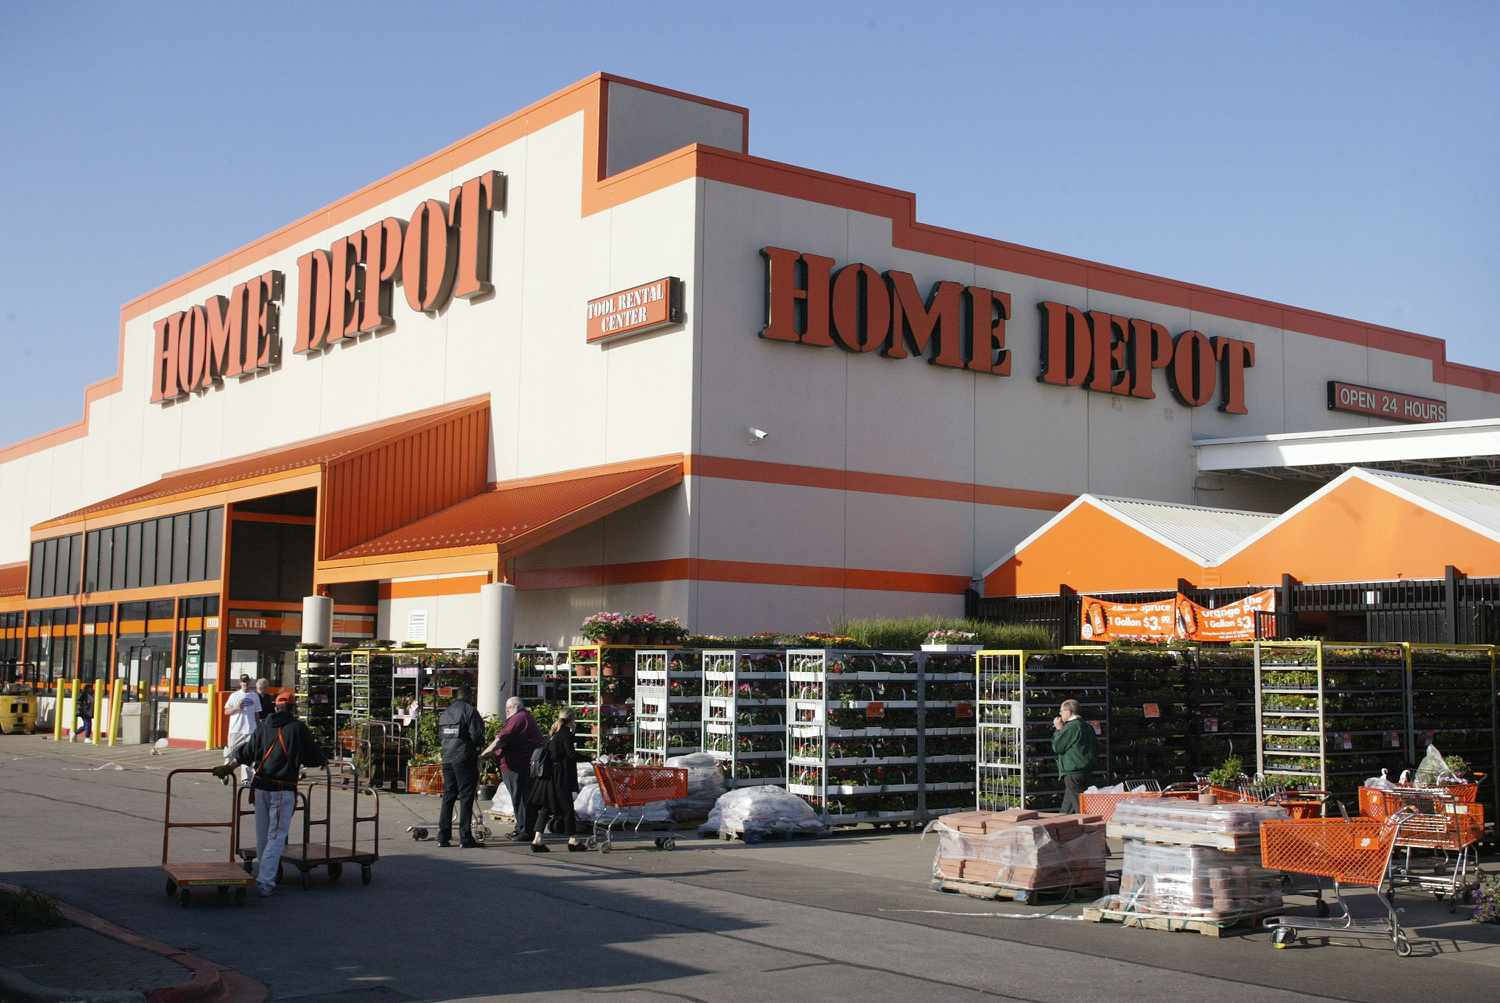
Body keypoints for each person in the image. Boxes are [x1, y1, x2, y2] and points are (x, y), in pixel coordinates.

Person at [215, 689, 327, 897]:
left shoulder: (264, 725)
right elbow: (313, 756)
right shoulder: (298, 728)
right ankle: (265, 883)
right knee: (276, 837)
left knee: (262, 836)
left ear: (276, 706)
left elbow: (248, 752)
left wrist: (229, 767)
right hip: (282, 789)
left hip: (260, 787)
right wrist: (322, 760)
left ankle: (268, 874)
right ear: (292, 707)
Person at [481, 696, 544, 840]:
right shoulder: (524, 717)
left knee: (520, 798)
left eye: (507, 709)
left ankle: (525, 830)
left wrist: (483, 754)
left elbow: (501, 739)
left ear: (514, 707)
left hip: (517, 766)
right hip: (519, 765)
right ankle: (522, 827)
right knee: (520, 798)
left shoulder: (518, 718)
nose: (506, 712)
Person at [528, 709, 584, 852]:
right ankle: (573, 840)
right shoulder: (565, 734)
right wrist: (589, 759)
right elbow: (570, 754)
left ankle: (537, 839)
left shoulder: (553, 733)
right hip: (560, 777)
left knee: (546, 808)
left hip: (548, 777)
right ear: (572, 720)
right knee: (568, 808)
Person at [437, 686, 485, 848]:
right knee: (466, 797)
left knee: (449, 796)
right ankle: (465, 837)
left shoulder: (445, 713)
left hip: (447, 758)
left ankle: (443, 836)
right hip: (464, 758)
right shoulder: (470, 711)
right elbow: (477, 735)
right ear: (469, 696)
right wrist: (477, 748)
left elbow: (441, 736)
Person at [1052, 698, 1099, 814]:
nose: (1060, 714)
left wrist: (1059, 730)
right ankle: (1060, 826)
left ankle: (1088, 828)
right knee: (1066, 808)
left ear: (1068, 711)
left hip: (1073, 772)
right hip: (1085, 770)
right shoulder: (1088, 727)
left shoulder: (1072, 727)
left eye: (1061, 711)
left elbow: (1058, 747)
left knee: (1080, 808)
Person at [224, 675, 261, 784]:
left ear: (250, 683)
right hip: (236, 730)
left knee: (248, 755)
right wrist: (236, 708)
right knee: (231, 754)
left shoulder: (254, 696)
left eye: (247, 682)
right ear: (240, 683)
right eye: (243, 682)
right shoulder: (234, 695)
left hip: (250, 730)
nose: (245, 684)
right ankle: (224, 773)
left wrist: (259, 728)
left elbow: (257, 714)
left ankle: (245, 779)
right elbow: (226, 712)